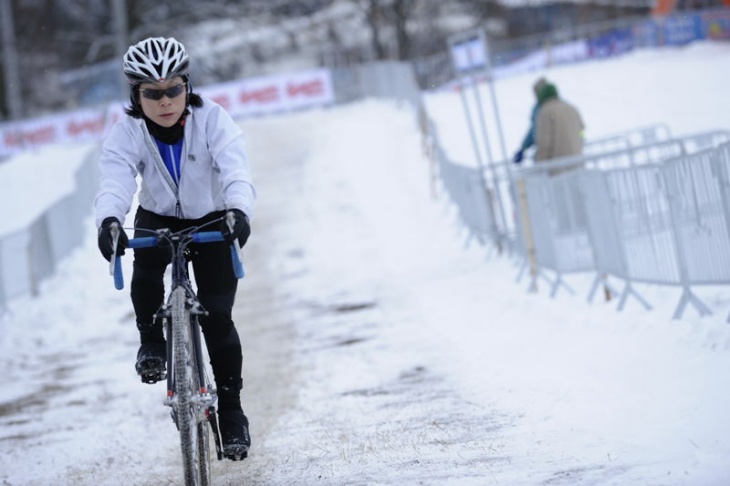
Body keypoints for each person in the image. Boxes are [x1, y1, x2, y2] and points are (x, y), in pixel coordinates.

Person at [94, 37, 255, 461]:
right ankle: (151, 340)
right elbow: (115, 180)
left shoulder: (213, 119)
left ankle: (233, 413)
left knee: (219, 318)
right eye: (152, 93)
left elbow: (235, 168)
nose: (165, 101)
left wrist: (239, 210)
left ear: (187, 86)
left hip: (212, 217)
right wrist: (109, 221)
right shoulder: (127, 131)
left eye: (173, 89)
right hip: (158, 217)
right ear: (136, 95)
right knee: (145, 268)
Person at [533, 80, 585, 171]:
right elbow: (582, 131)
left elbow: (545, 143)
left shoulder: (545, 112)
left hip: (558, 167)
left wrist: (539, 163)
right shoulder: (571, 108)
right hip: (577, 161)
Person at [513, 77, 548, 164]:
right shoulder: (537, 108)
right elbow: (533, 130)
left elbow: (536, 131)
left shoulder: (547, 108)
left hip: (551, 154)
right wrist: (523, 148)